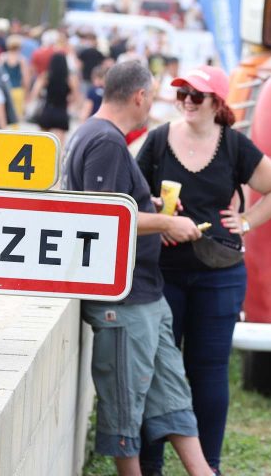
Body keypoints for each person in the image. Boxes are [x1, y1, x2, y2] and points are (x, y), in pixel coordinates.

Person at [136, 66, 271, 474]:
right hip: (164, 273)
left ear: (217, 102)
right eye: (182, 92)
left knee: (207, 372)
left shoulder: (235, 147)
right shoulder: (157, 141)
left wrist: (247, 221)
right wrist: (154, 210)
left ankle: (209, 466)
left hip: (219, 274)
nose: (187, 100)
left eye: (197, 95)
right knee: (154, 368)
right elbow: (129, 197)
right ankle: (149, 464)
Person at [61, 61, 212, 476]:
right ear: (140, 96)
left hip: (146, 292)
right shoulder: (106, 141)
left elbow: (121, 208)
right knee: (125, 405)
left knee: (171, 393)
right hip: (123, 302)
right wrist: (166, 222)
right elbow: (103, 216)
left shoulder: (97, 136)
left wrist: (153, 211)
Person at [29, 50, 74, 144]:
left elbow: (35, 93)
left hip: (48, 109)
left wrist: (42, 95)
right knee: (60, 146)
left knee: (43, 143)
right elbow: (74, 97)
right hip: (62, 111)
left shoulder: (46, 76)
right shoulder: (69, 78)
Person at [0, 35, 30, 120]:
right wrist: (27, 93)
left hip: (4, 91)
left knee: (4, 116)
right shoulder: (22, 59)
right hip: (17, 90)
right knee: (17, 117)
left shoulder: (2, 57)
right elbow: (26, 79)